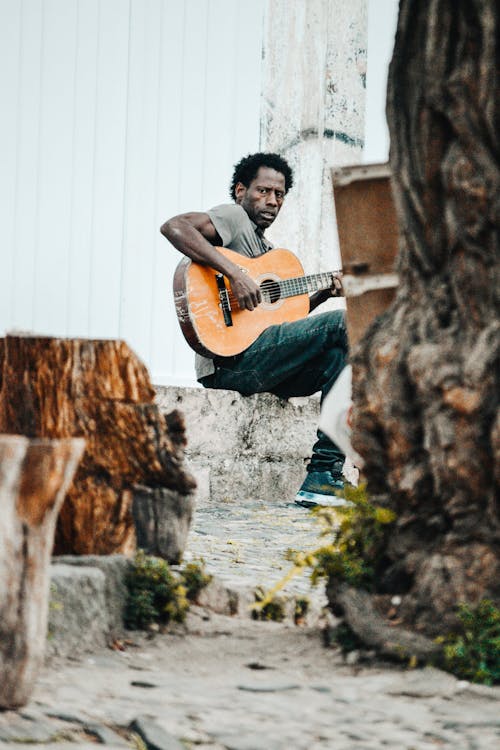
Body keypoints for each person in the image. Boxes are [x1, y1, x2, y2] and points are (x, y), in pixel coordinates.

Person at [160, 152, 349, 507]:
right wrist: (235, 274)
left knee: (341, 353)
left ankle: (323, 476)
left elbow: (280, 324)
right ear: (240, 191)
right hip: (228, 361)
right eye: (263, 191)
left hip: (261, 359)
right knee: (344, 325)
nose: (272, 201)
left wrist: (324, 294)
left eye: (279, 195)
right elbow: (174, 227)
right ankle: (324, 473)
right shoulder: (233, 220)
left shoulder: (270, 254)